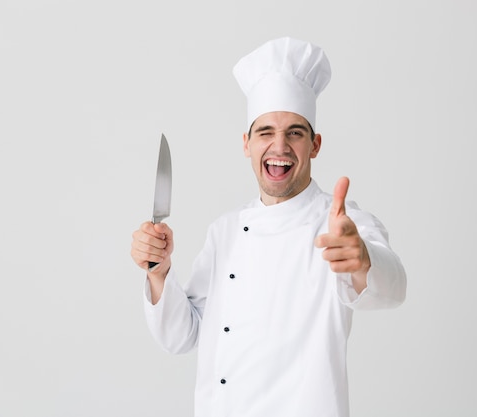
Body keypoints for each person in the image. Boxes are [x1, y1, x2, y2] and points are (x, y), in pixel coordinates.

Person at [130, 36, 407, 417]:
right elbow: (183, 335)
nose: (279, 147)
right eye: (265, 133)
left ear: (315, 145)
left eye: (295, 132)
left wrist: (363, 261)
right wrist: (159, 273)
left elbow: (393, 288)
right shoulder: (225, 230)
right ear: (246, 144)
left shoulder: (341, 224)